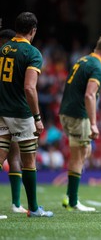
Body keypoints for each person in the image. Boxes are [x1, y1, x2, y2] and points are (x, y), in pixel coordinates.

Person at [0, 12, 53, 218]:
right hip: (21, 113)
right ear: (33, 30)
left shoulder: (3, 49)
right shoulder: (32, 53)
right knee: (29, 160)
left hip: (2, 111)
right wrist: (38, 118)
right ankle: (34, 209)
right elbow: (30, 88)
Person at [59, 35, 101, 211]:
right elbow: (89, 95)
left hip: (66, 111)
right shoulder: (97, 67)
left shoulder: (83, 60)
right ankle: (73, 200)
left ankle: (70, 196)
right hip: (79, 115)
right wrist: (93, 123)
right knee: (80, 155)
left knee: (83, 152)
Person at [0, 29, 28, 214]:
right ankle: (16, 204)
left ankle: (17, 203)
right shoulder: (18, 56)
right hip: (12, 111)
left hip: (5, 110)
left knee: (13, 154)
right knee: (10, 155)